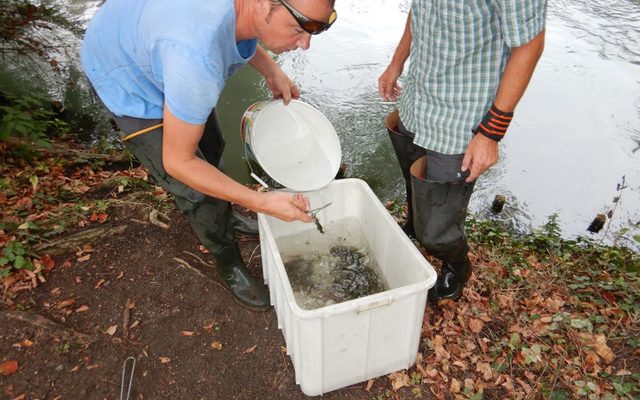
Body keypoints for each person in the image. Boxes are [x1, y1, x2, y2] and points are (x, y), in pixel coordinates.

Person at [81, 0, 338, 311]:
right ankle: (227, 259)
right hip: (123, 72)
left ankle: (227, 215)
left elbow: (239, 30)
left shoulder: (237, 14)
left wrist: (272, 71)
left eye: (319, 28)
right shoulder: (195, 58)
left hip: (151, 38)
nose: (306, 44)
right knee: (195, 189)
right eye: (299, 29)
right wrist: (260, 201)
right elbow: (178, 162)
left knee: (212, 146)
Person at [379, 0, 547, 302]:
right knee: (413, 178)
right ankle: (415, 225)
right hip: (418, 97)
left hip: (462, 117)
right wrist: (397, 62)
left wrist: (491, 132)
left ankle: (456, 263)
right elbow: (420, 9)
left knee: (439, 222)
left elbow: (530, 43)